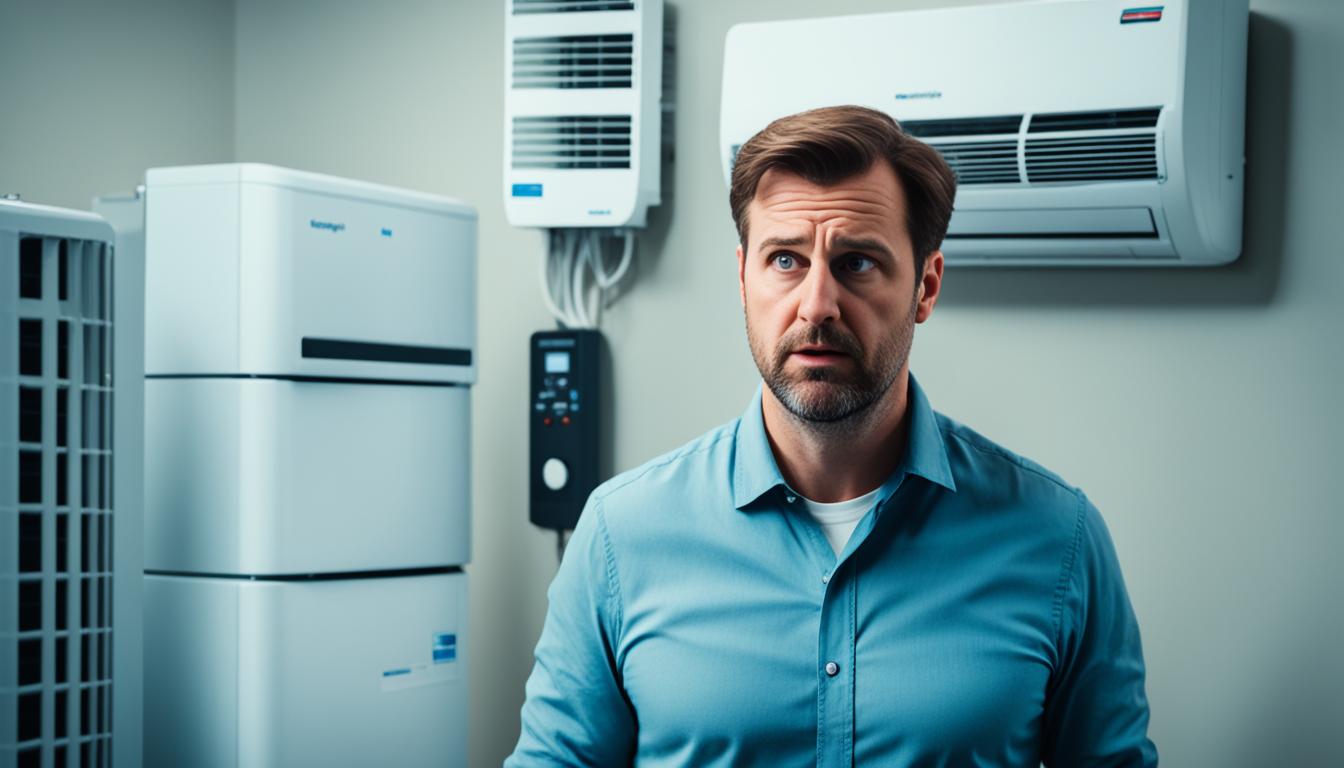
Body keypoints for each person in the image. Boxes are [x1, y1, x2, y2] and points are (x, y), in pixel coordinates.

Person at [506, 105, 1157, 767]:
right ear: (742, 279)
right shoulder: (621, 535)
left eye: (858, 263)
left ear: (925, 287)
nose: (817, 304)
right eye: (785, 259)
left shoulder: (1057, 538)